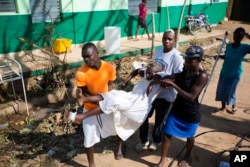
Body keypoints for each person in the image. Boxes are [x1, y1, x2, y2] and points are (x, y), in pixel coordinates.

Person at [155, 45, 208, 167]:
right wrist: (162, 79)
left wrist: (173, 86)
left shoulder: (202, 76)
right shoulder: (185, 71)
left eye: (191, 61)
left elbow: (191, 97)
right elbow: (174, 78)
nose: (187, 63)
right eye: (186, 60)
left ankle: (188, 154)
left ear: (199, 60)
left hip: (191, 113)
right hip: (177, 109)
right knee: (166, 134)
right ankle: (162, 160)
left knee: (190, 137)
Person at [73, 42, 122, 167]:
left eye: (89, 56)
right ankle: (91, 164)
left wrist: (108, 100)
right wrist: (101, 102)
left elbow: (110, 85)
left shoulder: (109, 68)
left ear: (97, 54)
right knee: (88, 137)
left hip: (108, 103)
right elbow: (85, 94)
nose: (87, 60)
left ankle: (119, 149)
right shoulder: (81, 73)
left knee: (118, 127)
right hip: (90, 106)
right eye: (84, 57)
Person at [135, 29, 184, 152]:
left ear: (175, 40)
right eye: (164, 38)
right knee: (143, 115)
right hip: (152, 93)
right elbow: (154, 68)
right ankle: (144, 140)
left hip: (166, 95)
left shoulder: (177, 57)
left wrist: (158, 81)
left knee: (159, 120)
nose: (166, 41)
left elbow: (177, 77)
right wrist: (148, 74)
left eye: (169, 39)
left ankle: (156, 141)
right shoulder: (158, 51)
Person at [215, 27, 250, 114]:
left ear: (242, 38)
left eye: (239, 37)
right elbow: (226, 56)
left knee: (231, 91)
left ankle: (234, 105)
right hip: (225, 72)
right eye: (235, 36)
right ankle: (223, 107)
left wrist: (247, 35)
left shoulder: (244, 47)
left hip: (235, 74)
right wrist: (219, 56)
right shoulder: (229, 46)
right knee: (222, 90)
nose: (236, 38)